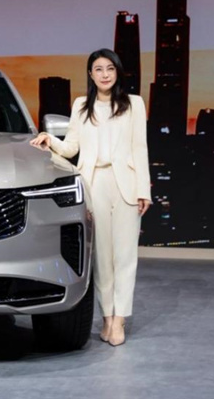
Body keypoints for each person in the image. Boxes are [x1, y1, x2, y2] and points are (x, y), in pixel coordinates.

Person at [30, 48, 151, 347]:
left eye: (110, 68)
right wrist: (50, 140)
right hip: (94, 184)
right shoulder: (81, 105)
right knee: (101, 258)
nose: (105, 74)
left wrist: (143, 190)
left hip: (125, 185)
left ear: (117, 72)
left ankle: (119, 320)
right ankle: (107, 318)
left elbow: (140, 148)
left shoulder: (134, 104)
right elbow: (71, 148)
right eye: (99, 69)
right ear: (90, 74)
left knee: (125, 257)